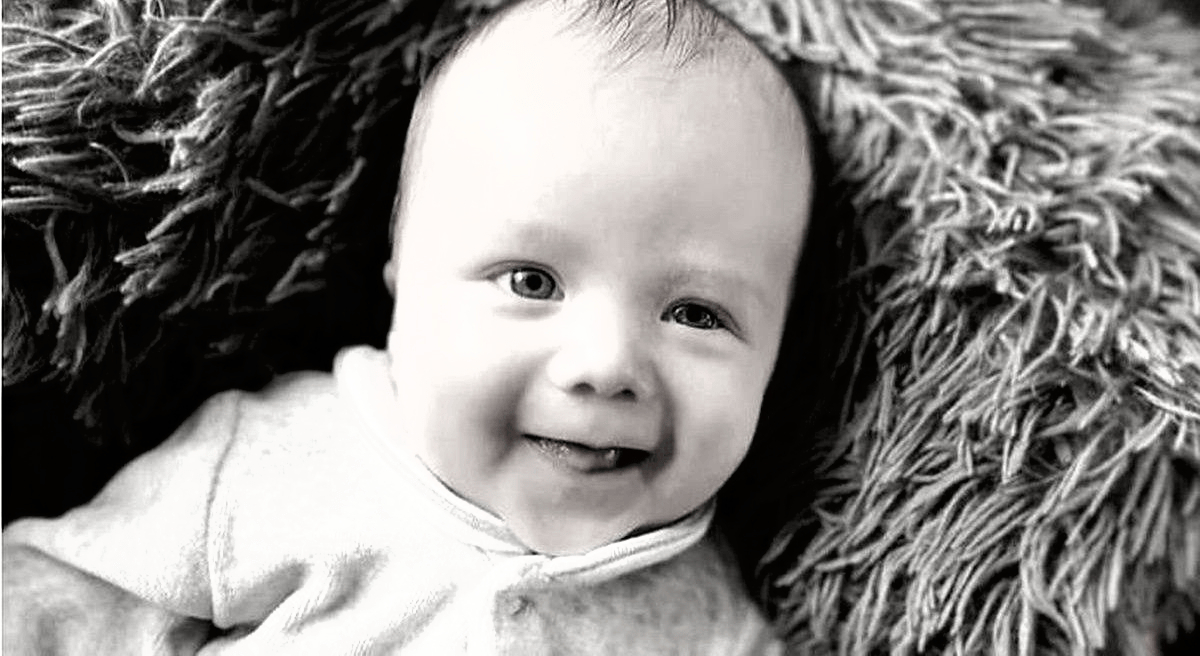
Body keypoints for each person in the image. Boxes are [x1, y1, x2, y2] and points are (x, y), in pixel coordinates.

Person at [2, 0, 817, 651]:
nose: (606, 365)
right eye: (532, 281)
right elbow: (53, 603)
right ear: (402, 284)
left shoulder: (712, 613)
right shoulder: (275, 464)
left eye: (697, 314)